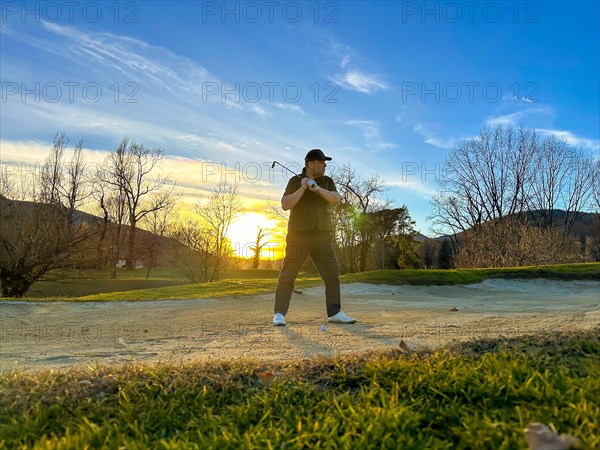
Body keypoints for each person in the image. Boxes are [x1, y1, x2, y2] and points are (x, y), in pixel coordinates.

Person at [273, 148, 356, 326]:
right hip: (298, 236)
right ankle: (279, 313)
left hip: (323, 236)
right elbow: (285, 204)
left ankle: (334, 312)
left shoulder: (327, 181)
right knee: (288, 275)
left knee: (332, 274)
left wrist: (317, 189)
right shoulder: (295, 181)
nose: (324, 166)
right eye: (321, 163)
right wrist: (303, 188)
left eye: (325, 163)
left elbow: (336, 199)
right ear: (310, 164)